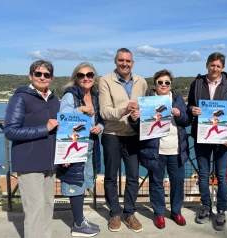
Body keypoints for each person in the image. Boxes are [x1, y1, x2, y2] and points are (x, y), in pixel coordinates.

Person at [4, 60, 60, 238]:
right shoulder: (20, 98)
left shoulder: (53, 99)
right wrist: (45, 128)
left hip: (50, 161)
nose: (42, 77)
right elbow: (10, 130)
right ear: (31, 76)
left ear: (51, 78)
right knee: (34, 209)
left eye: (46, 75)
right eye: (38, 74)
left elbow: (60, 128)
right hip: (29, 161)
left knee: (47, 205)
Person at [129, 69, 189, 229]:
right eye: (160, 82)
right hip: (156, 151)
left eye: (167, 82)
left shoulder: (177, 99)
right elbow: (139, 127)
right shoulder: (147, 101)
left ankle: (176, 211)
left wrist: (179, 114)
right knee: (156, 183)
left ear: (170, 84)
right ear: (155, 84)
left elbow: (186, 121)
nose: (163, 85)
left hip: (176, 150)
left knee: (178, 182)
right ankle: (159, 213)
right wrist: (134, 119)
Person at [187, 52, 227, 231]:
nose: (215, 68)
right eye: (212, 65)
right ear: (207, 65)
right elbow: (190, 106)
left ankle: (221, 210)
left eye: (218, 66)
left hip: (222, 138)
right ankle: (206, 207)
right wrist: (192, 110)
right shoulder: (196, 83)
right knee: (203, 174)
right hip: (201, 136)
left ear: (222, 68)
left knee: (221, 176)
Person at [98, 48, 148, 233]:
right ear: (115, 61)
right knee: (111, 177)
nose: (124, 64)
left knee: (133, 177)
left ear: (133, 63)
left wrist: (138, 115)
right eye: (121, 60)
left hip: (133, 136)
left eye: (128, 61)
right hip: (112, 135)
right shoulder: (105, 81)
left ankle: (129, 213)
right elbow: (104, 111)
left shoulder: (141, 82)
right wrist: (124, 110)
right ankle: (114, 213)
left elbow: (145, 108)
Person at [57, 62, 103, 237]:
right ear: (75, 78)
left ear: (94, 77)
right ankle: (77, 225)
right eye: (81, 75)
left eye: (89, 75)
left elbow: (100, 119)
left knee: (82, 181)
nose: (86, 78)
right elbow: (63, 119)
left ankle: (80, 218)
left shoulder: (96, 95)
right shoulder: (70, 95)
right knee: (75, 182)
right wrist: (79, 109)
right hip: (74, 144)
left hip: (90, 143)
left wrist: (99, 127)